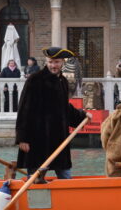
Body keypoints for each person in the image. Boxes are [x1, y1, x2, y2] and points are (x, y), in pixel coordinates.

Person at [16, 47, 91, 183]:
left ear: (62, 62)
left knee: (65, 176)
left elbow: (64, 107)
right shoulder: (35, 80)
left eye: (56, 62)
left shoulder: (62, 81)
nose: (53, 65)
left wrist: (82, 116)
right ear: (46, 62)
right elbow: (24, 109)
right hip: (37, 138)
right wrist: (22, 138)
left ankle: (69, 201)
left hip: (58, 138)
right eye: (50, 62)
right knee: (34, 179)